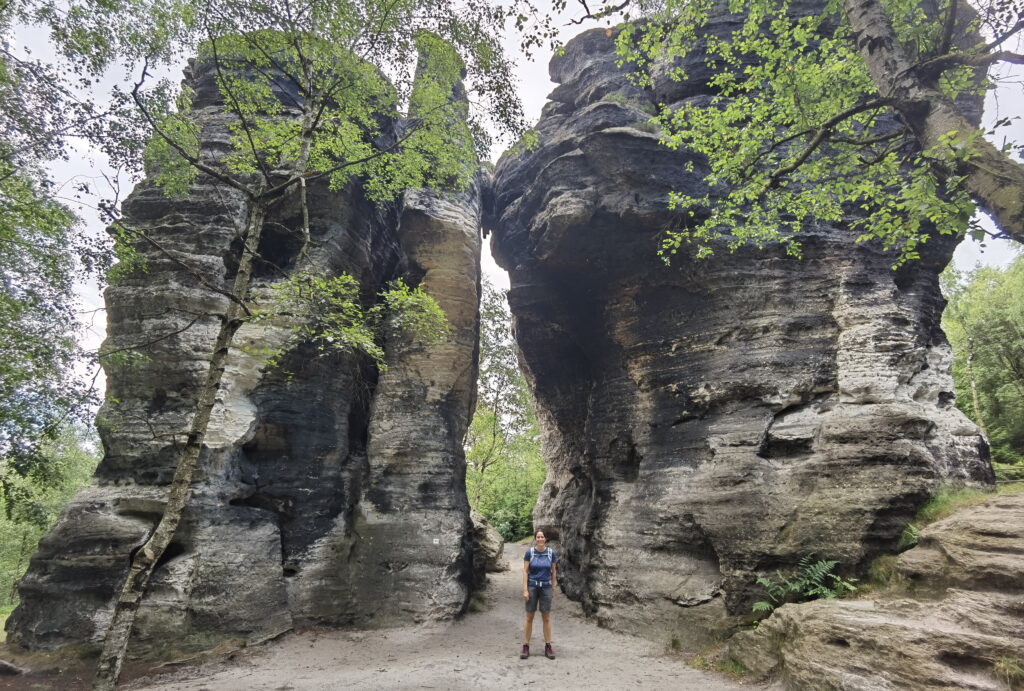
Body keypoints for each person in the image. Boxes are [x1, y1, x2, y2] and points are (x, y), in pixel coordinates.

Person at [520, 530, 557, 660]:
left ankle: (548, 646)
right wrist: (525, 590)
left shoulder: (551, 553)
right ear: (535, 538)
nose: (540, 538)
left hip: (546, 587)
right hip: (532, 587)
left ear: (545, 538)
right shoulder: (529, 553)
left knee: (546, 617)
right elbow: (525, 571)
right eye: (538, 537)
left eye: (542, 536)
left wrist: (553, 586)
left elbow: (553, 571)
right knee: (529, 616)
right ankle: (525, 646)